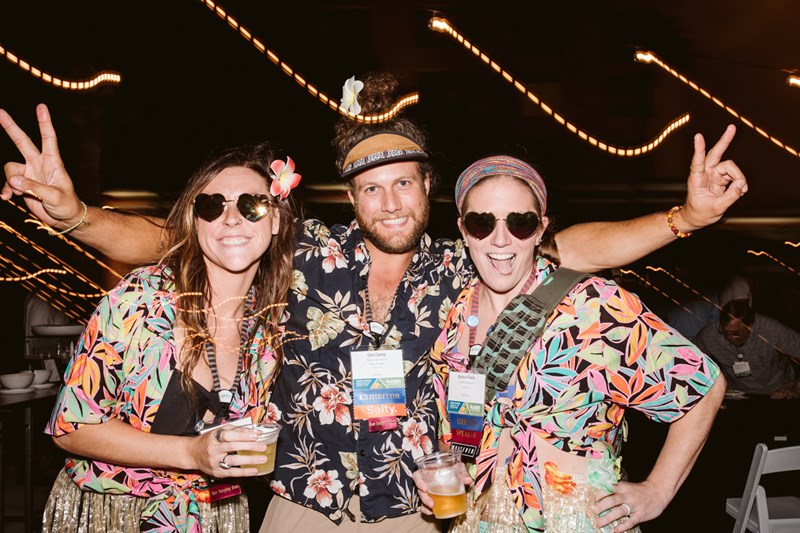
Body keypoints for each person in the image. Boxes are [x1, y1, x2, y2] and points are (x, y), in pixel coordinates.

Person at [1, 73, 747, 531]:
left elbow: (573, 247)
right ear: (350, 198)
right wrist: (74, 217)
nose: (388, 201)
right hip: (299, 505)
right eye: (369, 187)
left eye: (404, 183)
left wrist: (683, 220)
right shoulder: (301, 254)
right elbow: (179, 239)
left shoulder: (470, 260)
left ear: (429, 189)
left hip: (413, 514)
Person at [2, 105, 298, 532]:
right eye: (212, 205)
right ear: (195, 222)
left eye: (252, 205)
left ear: (275, 221)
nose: (230, 217)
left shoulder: (270, 324)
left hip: (214, 518)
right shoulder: (143, 298)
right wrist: (192, 454)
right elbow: (71, 426)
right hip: (115, 516)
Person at [415, 155, 726, 532]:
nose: (500, 239)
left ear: (540, 229)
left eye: (520, 222)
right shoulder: (455, 317)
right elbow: (463, 434)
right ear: (463, 230)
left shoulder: (591, 307)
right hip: (480, 521)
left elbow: (703, 388)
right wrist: (443, 473)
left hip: (574, 518)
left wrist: (657, 490)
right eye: (482, 223)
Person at [695, 299, 800, 398]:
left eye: (735, 333)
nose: (729, 337)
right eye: (725, 332)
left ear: (750, 326)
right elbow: (688, 361)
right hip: (737, 393)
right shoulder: (710, 334)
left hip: (776, 392)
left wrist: (797, 388)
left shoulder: (771, 329)